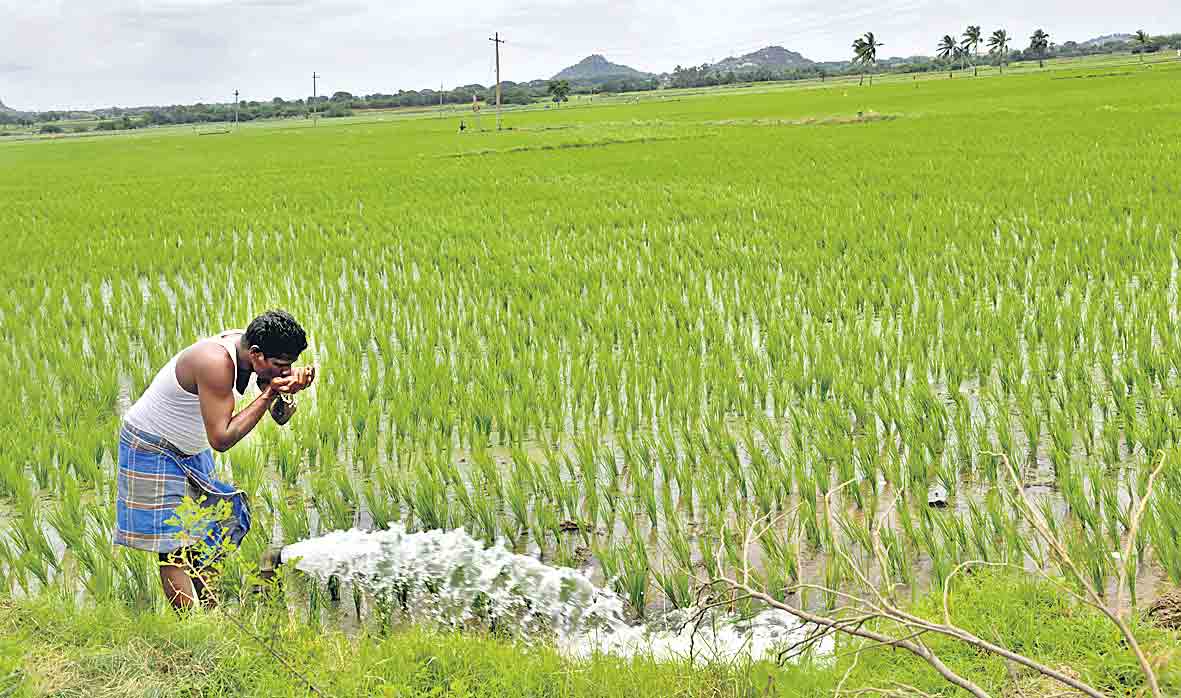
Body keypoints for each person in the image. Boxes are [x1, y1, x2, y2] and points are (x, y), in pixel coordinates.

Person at [116, 310, 315, 609]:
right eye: (280, 365)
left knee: (209, 531)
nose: (284, 370)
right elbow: (222, 439)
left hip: (191, 448)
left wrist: (288, 391)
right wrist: (271, 390)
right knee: (173, 545)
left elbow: (280, 417)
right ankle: (190, 628)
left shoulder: (258, 360)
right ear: (257, 354)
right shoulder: (216, 363)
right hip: (153, 446)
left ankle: (213, 612)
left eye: (290, 365)